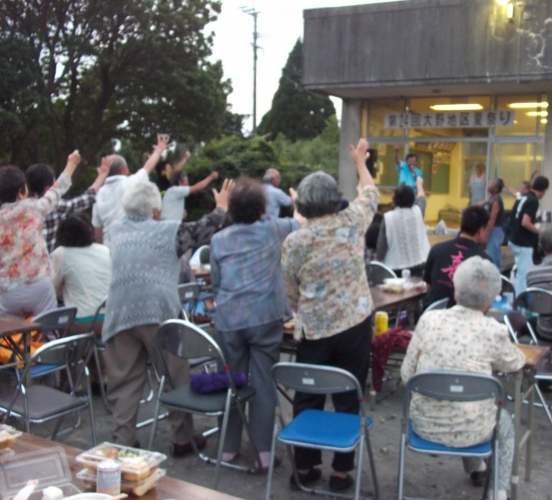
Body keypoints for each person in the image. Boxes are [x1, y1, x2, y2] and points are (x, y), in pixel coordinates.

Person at [102, 177, 230, 453]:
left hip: (119, 312)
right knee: (174, 377)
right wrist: (221, 207)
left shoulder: (115, 229)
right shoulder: (168, 231)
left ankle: (122, 441)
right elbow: (202, 230)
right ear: (156, 211)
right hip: (159, 314)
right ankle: (182, 439)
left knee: (124, 382)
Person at [281, 138, 378, 493]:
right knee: (349, 396)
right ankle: (341, 472)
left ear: (302, 205)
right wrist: (360, 163)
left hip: (315, 329)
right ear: (335, 198)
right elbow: (369, 193)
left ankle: (304, 468)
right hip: (355, 324)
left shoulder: (295, 241)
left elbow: (290, 288)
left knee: (308, 396)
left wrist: (301, 311)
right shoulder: (352, 222)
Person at [401, 256, 525, 500]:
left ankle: (477, 468)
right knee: (501, 421)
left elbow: (407, 375)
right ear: (490, 302)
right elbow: (515, 362)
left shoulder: (429, 320)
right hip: (473, 429)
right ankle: (498, 493)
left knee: (468, 401)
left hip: (423, 425)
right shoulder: (493, 331)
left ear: (455, 292)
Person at [210, 177, 301, 470]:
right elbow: (300, 220)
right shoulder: (275, 229)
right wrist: (296, 200)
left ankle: (227, 448)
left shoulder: (218, 239)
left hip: (229, 319)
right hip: (265, 318)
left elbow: (216, 283)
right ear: (263, 206)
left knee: (232, 382)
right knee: (263, 383)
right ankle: (264, 452)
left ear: (232, 209)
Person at [0, 151, 80, 318]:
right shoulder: (33, 208)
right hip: (38, 286)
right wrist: (71, 165)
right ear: (21, 191)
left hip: (5, 292)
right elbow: (55, 192)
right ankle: (49, 342)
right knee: (49, 329)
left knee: (8, 338)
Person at [92, 134, 171, 245]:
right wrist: (158, 150)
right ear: (124, 169)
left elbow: (97, 231)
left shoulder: (97, 194)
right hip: (132, 245)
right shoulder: (131, 183)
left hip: (108, 249)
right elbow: (148, 167)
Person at [26, 157, 110, 253]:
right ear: (47, 188)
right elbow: (85, 199)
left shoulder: (22, 207)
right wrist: (102, 176)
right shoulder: (54, 207)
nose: (56, 185)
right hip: (45, 262)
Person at [50, 214, 111, 335]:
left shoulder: (60, 253)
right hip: (111, 319)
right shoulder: (104, 250)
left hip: (83, 322)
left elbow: (53, 289)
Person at [422, 205, 491, 309]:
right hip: (465, 321)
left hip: (431, 316)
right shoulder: (484, 261)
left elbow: (428, 286)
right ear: (481, 231)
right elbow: (484, 302)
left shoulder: (437, 250)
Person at [375, 177, 430, 276]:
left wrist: (375, 265)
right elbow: (422, 199)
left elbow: (381, 249)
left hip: (395, 270)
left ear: (394, 199)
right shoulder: (418, 212)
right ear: (412, 198)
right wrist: (419, 184)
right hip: (419, 266)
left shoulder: (387, 218)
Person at [506, 175, 549, 295]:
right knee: (524, 275)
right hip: (523, 242)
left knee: (518, 270)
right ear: (544, 190)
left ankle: (512, 295)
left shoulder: (522, 197)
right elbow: (525, 222)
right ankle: (521, 300)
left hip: (513, 238)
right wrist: (540, 232)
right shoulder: (533, 201)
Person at [483, 177, 505, 270]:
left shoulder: (496, 202)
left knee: (493, 257)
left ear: (496, 189)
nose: (488, 185)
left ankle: (496, 278)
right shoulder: (491, 199)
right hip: (494, 230)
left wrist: (486, 235)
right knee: (493, 255)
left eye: (491, 184)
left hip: (495, 231)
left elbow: (492, 220)